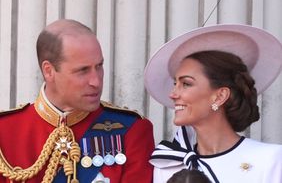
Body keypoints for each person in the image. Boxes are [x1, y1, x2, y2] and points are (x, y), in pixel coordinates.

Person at [0, 19, 154, 183]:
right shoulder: (4, 131)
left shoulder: (131, 130)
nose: (96, 81)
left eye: (99, 66)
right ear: (49, 71)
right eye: (83, 70)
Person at [144, 24, 282, 183]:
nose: (173, 94)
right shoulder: (167, 166)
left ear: (220, 96)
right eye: (175, 83)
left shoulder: (271, 161)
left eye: (186, 84)